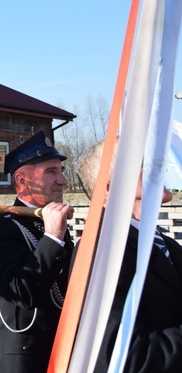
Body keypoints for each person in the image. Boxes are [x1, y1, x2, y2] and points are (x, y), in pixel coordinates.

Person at [76, 141, 182, 372]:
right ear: (109, 186)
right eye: (141, 162)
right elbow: (124, 357)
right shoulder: (103, 251)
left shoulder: (167, 243)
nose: (159, 166)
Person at [0, 130, 74, 373]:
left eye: (61, 171)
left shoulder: (51, 220)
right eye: (51, 172)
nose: (62, 180)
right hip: (22, 358)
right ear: (22, 181)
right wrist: (53, 238)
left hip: (58, 349)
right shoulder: (6, 228)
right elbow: (20, 293)